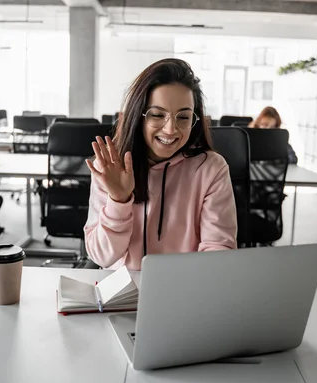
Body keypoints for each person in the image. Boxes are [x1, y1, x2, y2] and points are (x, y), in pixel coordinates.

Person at [84, 59, 238, 270]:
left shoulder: (211, 168)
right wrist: (119, 201)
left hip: (185, 289)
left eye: (183, 117)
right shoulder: (111, 167)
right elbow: (102, 257)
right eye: (157, 115)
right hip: (122, 294)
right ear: (138, 116)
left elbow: (218, 248)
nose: (170, 130)